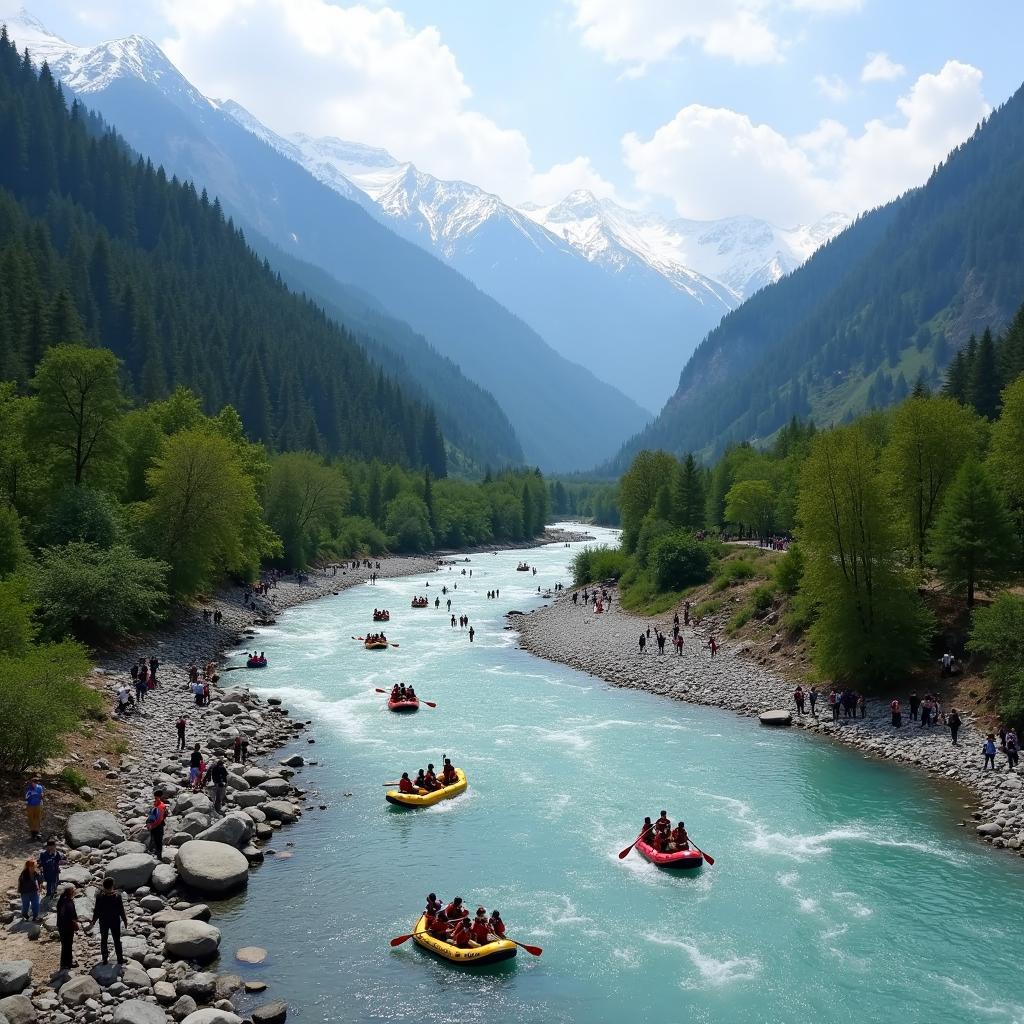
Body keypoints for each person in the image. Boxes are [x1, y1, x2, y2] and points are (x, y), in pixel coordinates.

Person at [88, 877, 128, 966]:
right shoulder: (117, 896)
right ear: (112, 886)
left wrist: (94, 920)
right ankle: (120, 959)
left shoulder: (100, 896)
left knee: (104, 940)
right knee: (117, 940)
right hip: (115, 922)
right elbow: (121, 910)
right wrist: (125, 920)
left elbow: (96, 910)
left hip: (103, 921)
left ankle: (105, 959)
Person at [56, 885, 79, 970]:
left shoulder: (62, 900)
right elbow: (70, 915)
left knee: (66, 945)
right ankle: (66, 963)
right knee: (67, 945)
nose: (75, 892)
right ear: (70, 892)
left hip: (62, 925)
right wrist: (75, 923)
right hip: (67, 926)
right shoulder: (68, 902)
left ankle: (66, 962)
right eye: (73, 890)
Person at [146, 790, 167, 859]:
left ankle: (159, 856)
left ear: (160, 797)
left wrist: (152, 826)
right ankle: (154, 852)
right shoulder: (157, 804)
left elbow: (159, 819)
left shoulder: (160, 806)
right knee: (154, 839)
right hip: (156, 826)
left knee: (158, 841)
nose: (156, 799)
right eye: (155, 798)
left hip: (158, 826)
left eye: (157, 798)